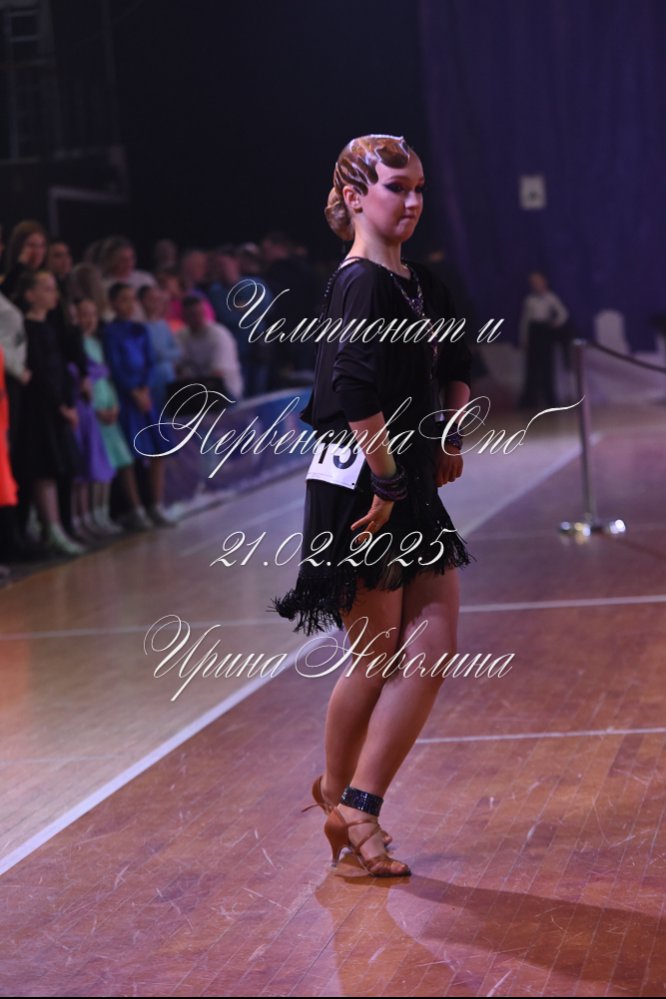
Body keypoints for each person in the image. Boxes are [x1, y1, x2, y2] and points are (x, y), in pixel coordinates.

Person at [271, 134, 474, 877]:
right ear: (356, 197)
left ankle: (352, 799)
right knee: (376, 652)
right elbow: (352, 392)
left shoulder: (422, 283)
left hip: (404, 478)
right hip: (363, 483)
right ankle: (345, 801)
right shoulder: (359, 282)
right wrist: (389, 484)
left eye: (419, 188)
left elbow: (458, 365)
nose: (412, 201)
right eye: (396, 187)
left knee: (434, 641)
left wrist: (449, 431)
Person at [518, 271, 569, 408]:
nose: (536, 285)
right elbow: (525, 320)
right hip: (534, 331)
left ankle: (550, 399)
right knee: (532, 367)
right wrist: (524, 338)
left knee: (547, 366)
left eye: (538, 282)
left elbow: (563, 313)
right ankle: (530, 400)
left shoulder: (551, 297)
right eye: (534, 283)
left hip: (545, 332)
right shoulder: (529, 300)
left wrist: (556, 323)